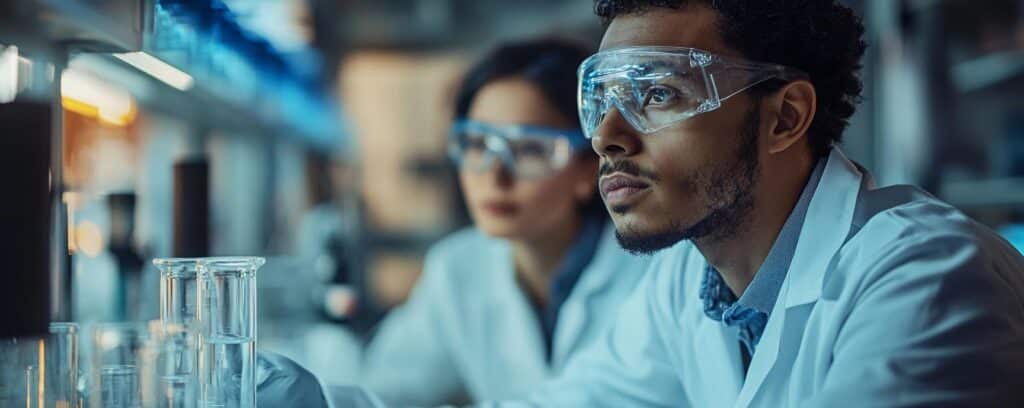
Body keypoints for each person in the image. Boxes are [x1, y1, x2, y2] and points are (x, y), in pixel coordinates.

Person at [471, 1, 1024, 406]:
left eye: (659, 93)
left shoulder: (927, 275)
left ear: (785, 118)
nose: (605, 136)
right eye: (603, 100)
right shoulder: (688, 282)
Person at [353, 39, 653, 406]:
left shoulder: (650, 274)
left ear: (590, 166)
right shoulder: (457, 269)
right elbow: (383, 392)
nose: (495, 177)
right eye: (477, 145)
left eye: (529, 149)